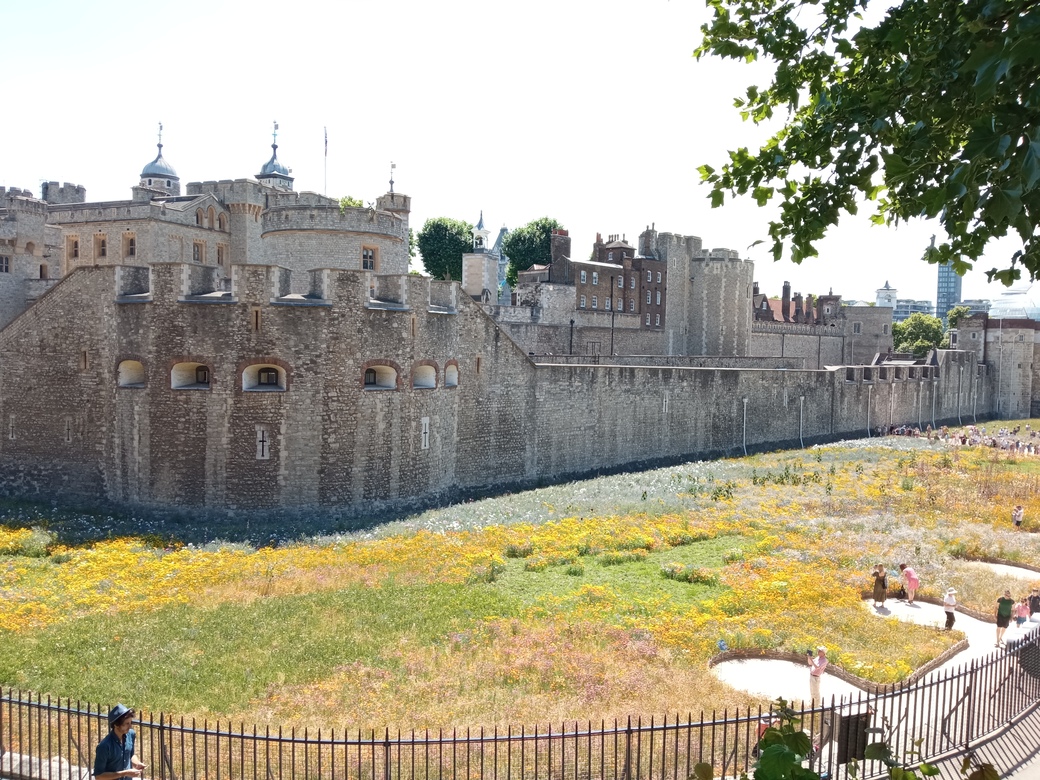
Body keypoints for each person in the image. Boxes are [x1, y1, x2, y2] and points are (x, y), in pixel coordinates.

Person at [94, 704, 146, 780]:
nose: (130, 726)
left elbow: (131, 755)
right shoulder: (104, 746)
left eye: (131, 723)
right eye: (127, 724)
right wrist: (125, 773)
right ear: (116, 725)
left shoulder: (131, 734)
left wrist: (137, 763)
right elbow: (99, 776)